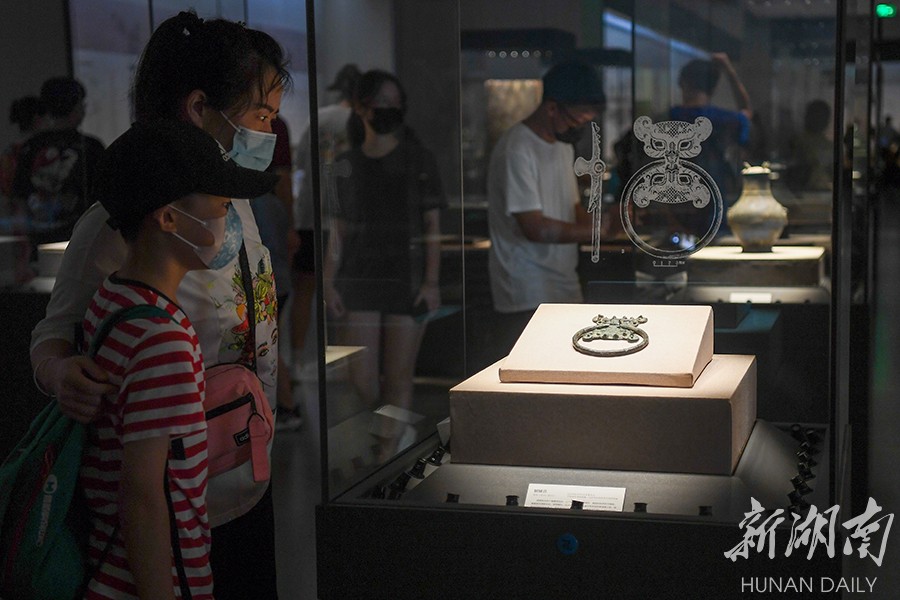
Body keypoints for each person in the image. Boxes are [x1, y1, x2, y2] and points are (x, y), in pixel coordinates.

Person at [28, 11, 290, 599]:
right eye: (260, 115)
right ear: (200, 108)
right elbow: (53, 334)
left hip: (246, 480)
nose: (269, 130)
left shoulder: (234, 202)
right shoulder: (120, 222)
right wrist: (61, 372)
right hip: (170, 503)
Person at [81, 119, 277, 600]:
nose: (228, 217)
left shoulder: (115, 299)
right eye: (221, 204)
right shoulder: (164, 339)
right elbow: (143, 495)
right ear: (168, 218)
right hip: (153, 579)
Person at [323, 69, 444, 425]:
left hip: (406, 275)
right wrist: (328, 280)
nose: (389, 108)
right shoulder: (346, 164)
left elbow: (433, 226)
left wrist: (431, 282)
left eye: (395, 102)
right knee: (360, 380)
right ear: (362, 107)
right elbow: (338, 230)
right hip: (360, 276)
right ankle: (386, 441)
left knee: (398, 378)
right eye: (381, 101)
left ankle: (390, 450)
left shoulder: (419, 159)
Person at [486, 60, 605, 357]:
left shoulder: (562, 146)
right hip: (525, 288)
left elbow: (572, 209)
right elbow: (534, 227)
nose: (578, 129)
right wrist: (598, 231)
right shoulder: (517, 147)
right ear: (552, 108)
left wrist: (609, 222)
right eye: (576, 121)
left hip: (564, 283)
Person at [289, 63, 360, 412]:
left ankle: (298, 359)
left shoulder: (318, 118)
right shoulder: (354, 122)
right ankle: (343, 361)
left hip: (309, 215)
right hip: (340, 216)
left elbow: (302, 164)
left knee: (305, 288)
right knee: (342, 288)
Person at [12, 77, 105, 250]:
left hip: (39, 239)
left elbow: (20, 200)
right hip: (81, 241)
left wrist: (23, 246)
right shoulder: (90, 147)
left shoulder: (31, 147)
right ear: (76, 106)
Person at [669, 53, 753, 209]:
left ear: (682, 83)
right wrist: (729, 71)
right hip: (713, 196)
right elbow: (746, 111)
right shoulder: (723, 119)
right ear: (713, 88)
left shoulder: (670, 117)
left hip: (674, 201)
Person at [785, 99, 833, 194]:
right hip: (802, 192)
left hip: (824, 192)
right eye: (817, 116)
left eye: (823, 117)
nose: (819, 120)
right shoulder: (798, 142)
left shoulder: (829, 145)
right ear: (808, 117)